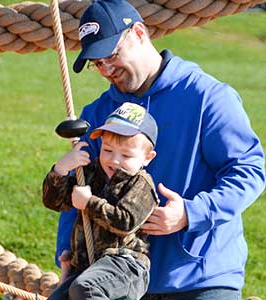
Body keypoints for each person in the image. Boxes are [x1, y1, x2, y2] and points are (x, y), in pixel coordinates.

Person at [54, 0, 266, 299]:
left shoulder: (208, 97)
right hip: (114, 278)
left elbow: (249, 171)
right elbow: (78, 187)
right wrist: (66, 251)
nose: (106, 69)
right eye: (97, 63)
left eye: (111, 55)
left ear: (139, 33)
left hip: (199, 278)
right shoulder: (97, 112)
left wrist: (190, 214)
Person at [43, 102, 160, 300]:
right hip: (89, 266)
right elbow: (55, 202)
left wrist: (89, 203)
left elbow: (125, 222)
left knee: (85, 289)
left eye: (125, 155)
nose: (114, 160)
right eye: (107, 150)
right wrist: (61, 169)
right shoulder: (91, 173)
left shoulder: (141, 185)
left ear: (147, 157)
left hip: (126, 266)